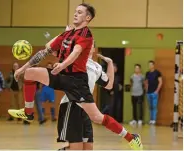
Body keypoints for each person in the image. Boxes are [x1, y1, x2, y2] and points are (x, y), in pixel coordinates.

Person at [10, 3, 142, 150]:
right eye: (75, 11)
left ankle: (131, 137)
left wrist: (63, 64)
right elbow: (45, 51)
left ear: (87, 17)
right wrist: (22, 68)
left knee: (97, 117)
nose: (75, 14)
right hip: (63, 76)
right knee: (30, 73)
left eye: (79, 12)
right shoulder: (67, 34)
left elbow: (76, 52)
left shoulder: (86, 34)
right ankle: (28, 113)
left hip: (76, 82)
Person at [145, 60, 162, 125]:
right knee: (150, 106)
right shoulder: (147, 73)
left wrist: (157, 91)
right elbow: (146, 82)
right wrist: (146, 90)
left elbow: (160, 82)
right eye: (149, 65)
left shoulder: (157, 73)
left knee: (154, 106)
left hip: (154, 92)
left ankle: (154, 120)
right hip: (149, 92)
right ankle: (151, 119)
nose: (150, 66)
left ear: (153, 65)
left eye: (151, 64)